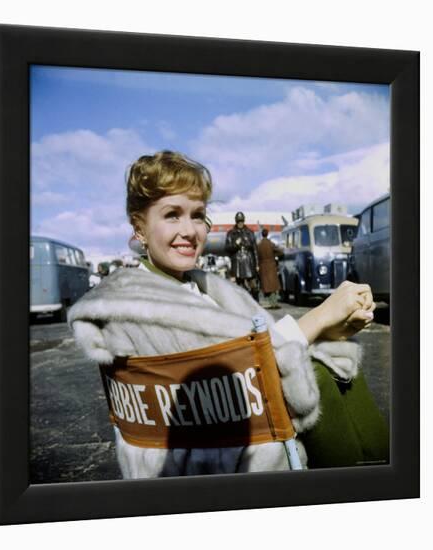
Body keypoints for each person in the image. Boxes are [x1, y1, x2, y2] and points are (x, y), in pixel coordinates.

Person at [68, 150, 387, 479]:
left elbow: (249, 350)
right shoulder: (136, 312)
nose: (190, 231)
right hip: (228, 455)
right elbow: (236, 379)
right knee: (322, 374)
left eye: (197, 215)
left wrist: (329, 331)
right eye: (172, 215)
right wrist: (318, 318)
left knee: (337, 359)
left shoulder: (196, 286)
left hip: (237, 436)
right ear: (139, 228)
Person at [225, 212, 260, 301]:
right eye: (238, 221)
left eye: (241, 221)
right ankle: (243, 303)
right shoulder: (231, 233)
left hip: (249, 260)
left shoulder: (250, 233)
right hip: (237, 261)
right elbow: (227, 248)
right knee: (240, 285)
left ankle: (256, 302)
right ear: (236, 221)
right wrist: (235, 244)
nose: (240, 223)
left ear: (244, 221)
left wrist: (257, 264)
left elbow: (255, 249)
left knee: (253, 284)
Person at [257, 228, 283, 309]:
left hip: (263, 266)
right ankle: (274, 303)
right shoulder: (270, 243)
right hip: (271, 265)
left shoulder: (259, 244)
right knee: (273, 286)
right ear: (267, 234)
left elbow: (257, 256)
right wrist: (275, 256)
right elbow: (280, 252)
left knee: (267, 286)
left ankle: (271, 303)